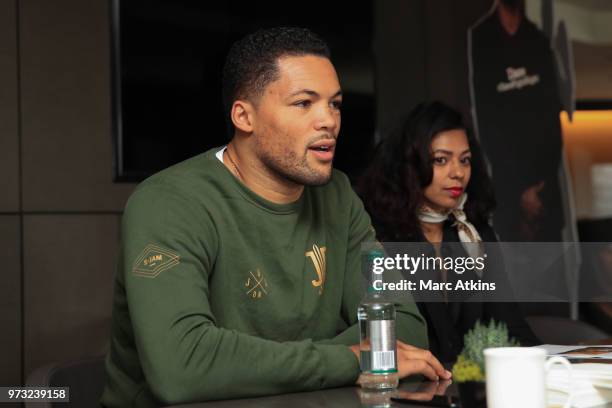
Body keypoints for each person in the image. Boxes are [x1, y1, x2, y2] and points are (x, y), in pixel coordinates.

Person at [101, 27, 450, 407]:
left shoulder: (338, 197)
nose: (328, 121)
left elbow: (407, 328)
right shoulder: (169, 203)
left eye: (335, 104)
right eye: (304, 103)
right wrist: (355, 355)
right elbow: (182, 366)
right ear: (243, 116)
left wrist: (261, 363)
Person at [359, 101, 538, 364]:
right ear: (410, 164)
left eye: (464, 160)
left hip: (467, 388)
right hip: (406, 391)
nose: (458, 173)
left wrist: (556, 368)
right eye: (441, 160)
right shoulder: (378, 236)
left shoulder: (475, 233)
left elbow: (511, 327)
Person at [468, 0, 564, 243]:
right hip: (508, 190)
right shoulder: (481, 39)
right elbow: (487, 123)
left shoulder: (538, 39)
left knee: (551, 268)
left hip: (545, 187)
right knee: (513, 267)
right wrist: (521, 191)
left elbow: (552, 121)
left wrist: (537, 188)